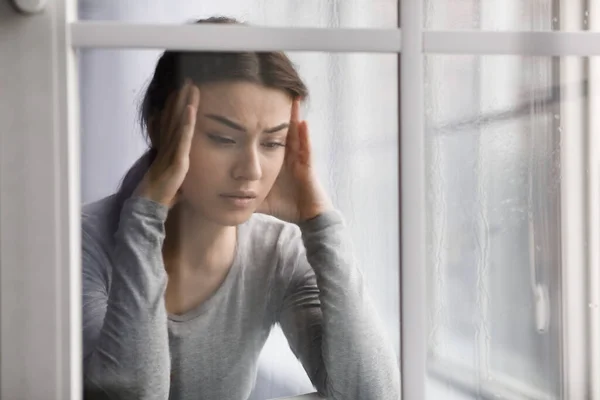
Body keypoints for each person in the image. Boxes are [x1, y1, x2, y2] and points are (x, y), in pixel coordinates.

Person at [81, 16, 400, 400]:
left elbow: (372, 393)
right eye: (223, 138)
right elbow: (133, 393)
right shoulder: (79, 243)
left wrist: (319, 220)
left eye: (272, 143)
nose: (250, 170)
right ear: (160, 129)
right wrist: (145, 217)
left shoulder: (277, 250)